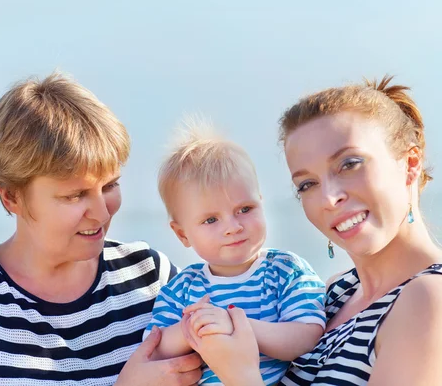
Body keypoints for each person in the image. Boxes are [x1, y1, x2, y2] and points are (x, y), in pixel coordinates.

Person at [0, 72, 204, 386]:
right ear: (11, 196)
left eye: (110, 185)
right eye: (75, 195)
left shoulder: (150, 275)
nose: (101, 213)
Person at [180, 76, 442, 386]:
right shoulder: (333, 294)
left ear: (410, 164)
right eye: (308, 184)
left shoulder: (429, 299)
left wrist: (241, 375)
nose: (329, 199)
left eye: (350, 164)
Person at [144, 120, 326, 385]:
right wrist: (193, 327)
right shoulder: (182, 287)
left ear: (261, 203)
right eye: (210, 220)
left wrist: (236, 325)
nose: (233, 227)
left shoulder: (285, 269)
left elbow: (306, 336)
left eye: (245, 209)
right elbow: (154, 348)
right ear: (182, 234)